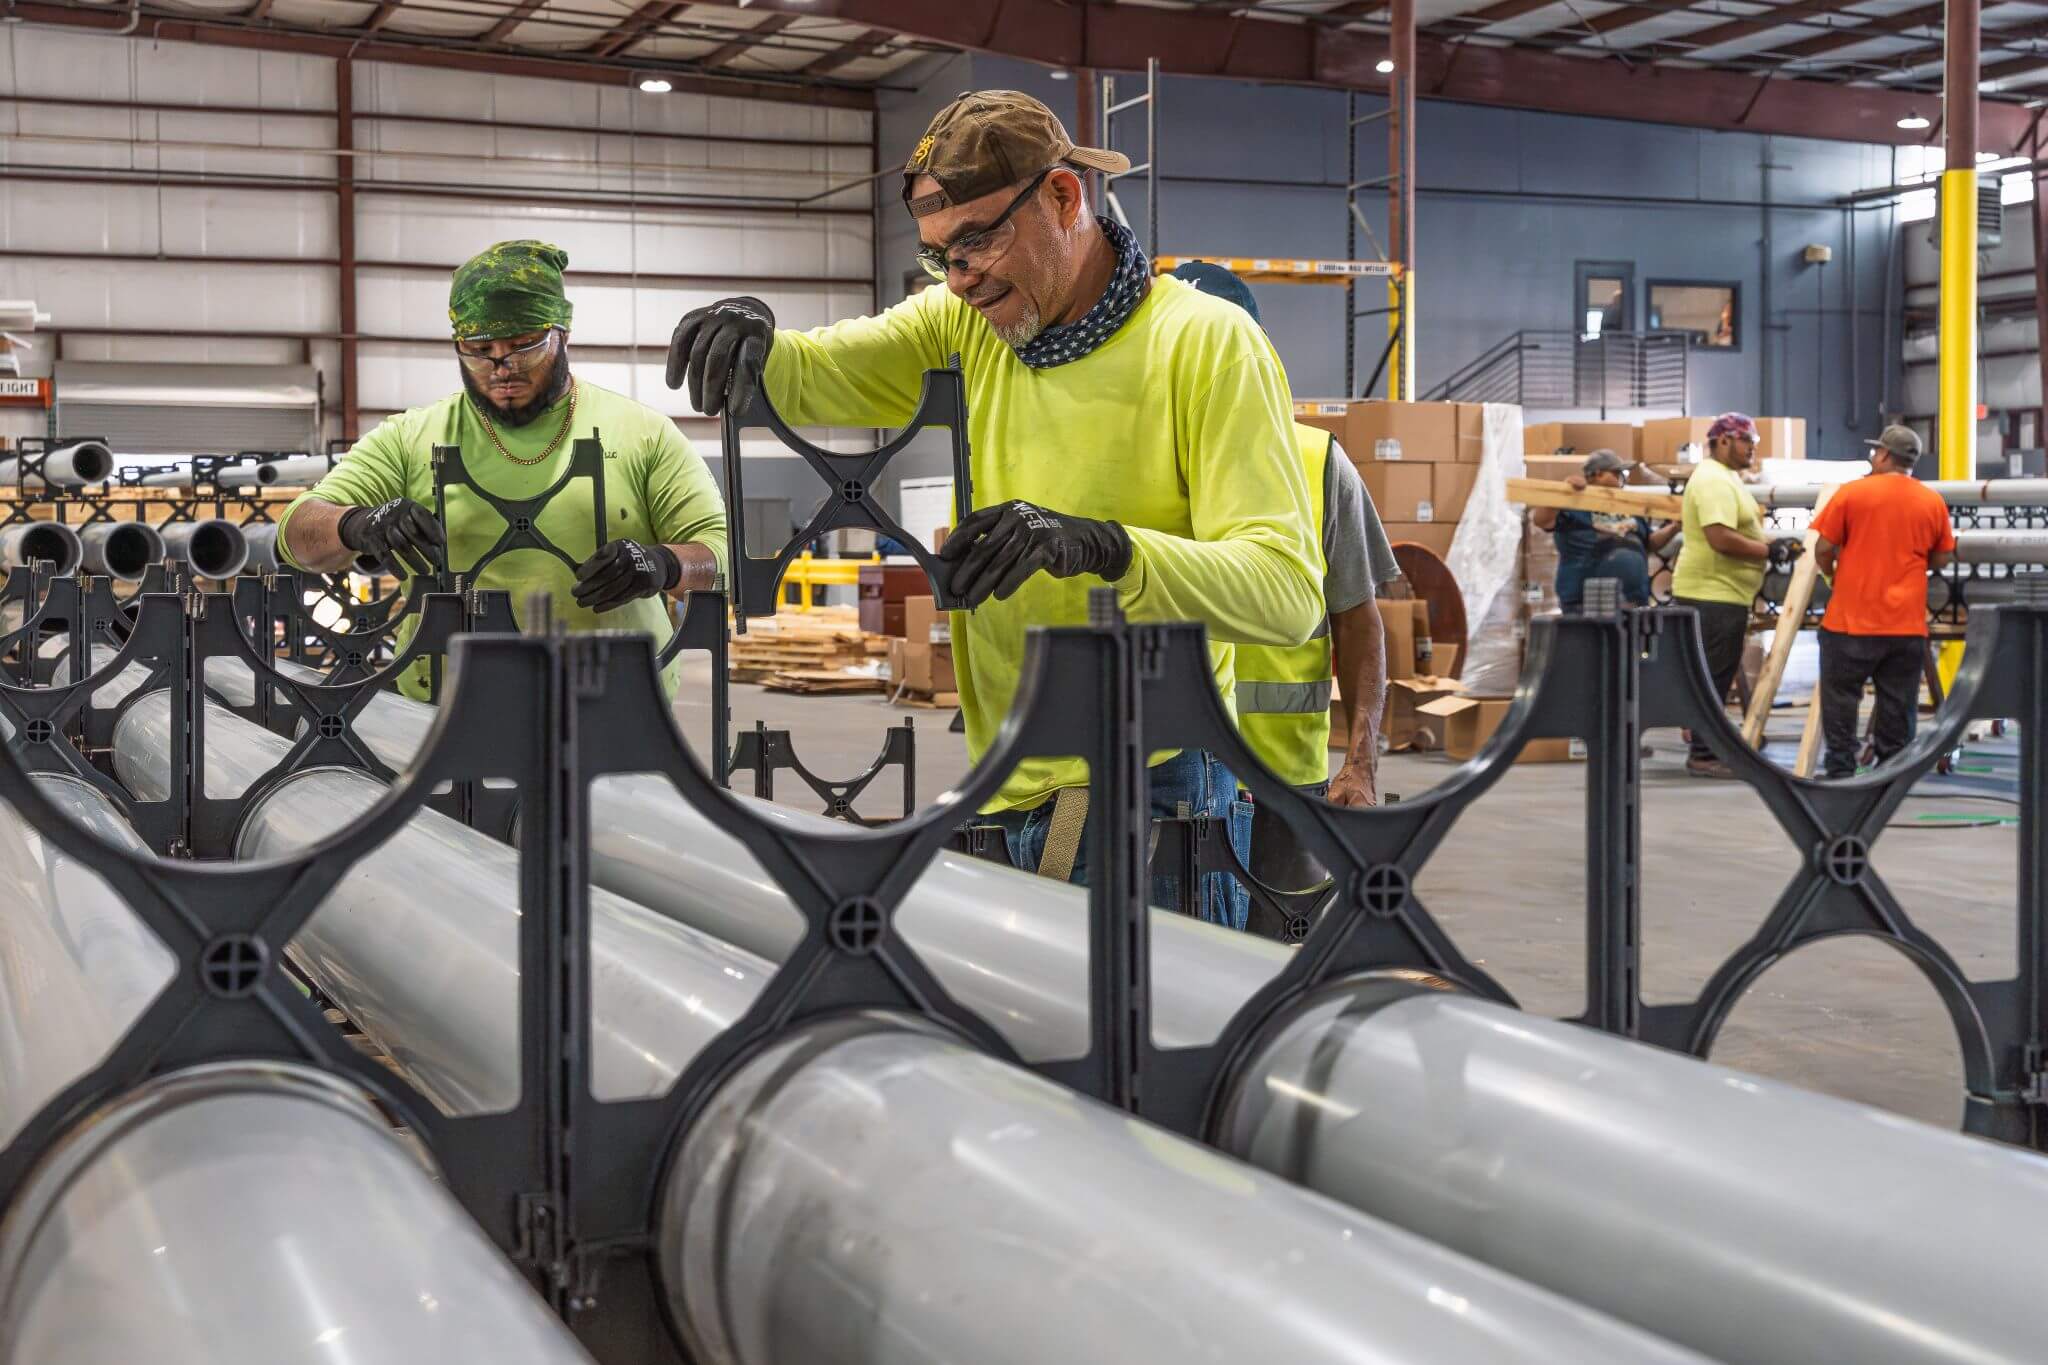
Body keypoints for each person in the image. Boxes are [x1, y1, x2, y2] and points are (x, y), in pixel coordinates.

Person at [666, 91, 1323, 930]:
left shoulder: (1205, 344)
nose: (962, 274)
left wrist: (1104, 548)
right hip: (1003, 773)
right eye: (941, 254)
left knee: (1149, 1050)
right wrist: (757, 335)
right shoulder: (966, 324)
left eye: (978, 239)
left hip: (1151, 784)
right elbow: (821, 370)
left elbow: (1287, 592)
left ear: (1062, 197)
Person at [280, 240, 728, 699]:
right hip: (447, 711)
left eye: (523, 346)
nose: (503, 367)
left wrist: (663, 564)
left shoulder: (642, 433)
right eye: (479, 350)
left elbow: (722, 560)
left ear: (563, 335)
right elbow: (296, 534)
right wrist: (356, 524)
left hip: (615, 708)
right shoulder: (413, 437)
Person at [1165, 260, 1393, 912]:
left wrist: (1362, 760)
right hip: (1164, 777)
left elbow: (1358, 618)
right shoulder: (1134, 454)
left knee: (1282, 970)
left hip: (1285, 787)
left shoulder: (1318, 462)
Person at [1809, 425, 1954, 779]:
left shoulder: (1852, 494)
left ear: (1886, 455)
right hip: (1905, 627)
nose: (1873, 457)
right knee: (1898, 704)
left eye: (1876, 452)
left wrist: (1833, 574)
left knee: (1842, 699)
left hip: (1849, 624)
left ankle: (1841, 770)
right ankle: (1891, 773)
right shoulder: (1931, 500)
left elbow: (1824, 548)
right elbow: (1942, 558)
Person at [1670, 412, 1769, 778]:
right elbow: (1720, 538)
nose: (1752, 451)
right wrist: (1768, 552)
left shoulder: (1726, 478)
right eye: (1747, 443)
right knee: (1713, 675)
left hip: (1723, 593)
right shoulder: (1713, 480)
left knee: (1713, 673)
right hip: (1713, 594)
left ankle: (1703, 739)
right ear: (1724, 441)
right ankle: (1704, 754)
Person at [1529, 448, 1679, 611]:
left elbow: (1648, 543)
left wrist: (1673, 528)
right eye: (1617, 473)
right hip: (1588, 605)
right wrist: (1563, 493)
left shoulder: (1627, 506)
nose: (1622, 479)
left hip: (1634, 603)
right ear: (1598, 475)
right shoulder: (1576, 504)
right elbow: (1542, 520)